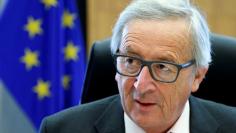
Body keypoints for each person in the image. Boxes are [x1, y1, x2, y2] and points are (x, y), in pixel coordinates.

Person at [40, 0, 236, 133]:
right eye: (131, 61)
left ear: (197, 77)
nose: (141, 86)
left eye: (162, 66)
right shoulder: (61, 129)